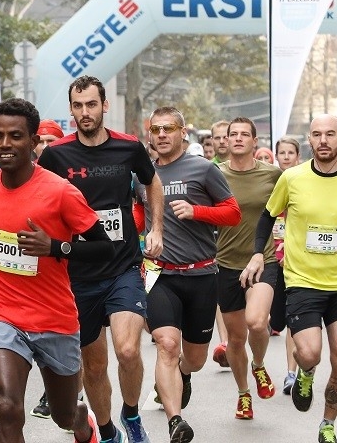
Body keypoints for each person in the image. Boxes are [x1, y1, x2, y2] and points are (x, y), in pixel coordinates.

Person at [0, 97, 117, 443]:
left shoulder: (60, 192)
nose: (4, 144)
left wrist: (55, 247)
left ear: (33, 141)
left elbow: (105, 248)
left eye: (15, 136)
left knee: (63, 414)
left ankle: (81, 420)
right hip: (4, 315)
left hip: (55, 318)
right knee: (8, 407)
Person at [35, 75, 164, 443]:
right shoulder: (56, 155)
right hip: (78, 273)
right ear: (71, 110)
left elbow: (152, 181)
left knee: (128, 349)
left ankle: (132, 414)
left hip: (123, 266)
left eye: (91, 104)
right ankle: (107, 431)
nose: (85, 112)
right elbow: (41, 200)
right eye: (78, 106)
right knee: (93, 366)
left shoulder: (128, 147)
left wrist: (156, 229)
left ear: (104, 105)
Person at [252, 114, 337, 443]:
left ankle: (327, 425)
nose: (323, 140)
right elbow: (267, 217)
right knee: (309, 354)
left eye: (330, 134)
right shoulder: (292, 178)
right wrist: (257, 253)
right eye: (317, 134)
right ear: (309, 139)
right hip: (302, 282)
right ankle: (305, 373)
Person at [143, 107, 240, 443]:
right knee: (167, 344)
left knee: (195, 359)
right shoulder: (143, 174)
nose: (161, 135)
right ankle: (176, 422)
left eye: (169, 128)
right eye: (156, 129)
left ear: (183, 132)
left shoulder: (203, 169)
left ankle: (184, 373)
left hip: (201, 275)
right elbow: (134, 215)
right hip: (160, 275)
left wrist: (196, 210)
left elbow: (233, 213)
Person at [215, 118, 282, 420]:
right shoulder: (215, 174)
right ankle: (243, 394)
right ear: (226, 140)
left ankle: (259, 364)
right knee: (235, 338)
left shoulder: (272, 174)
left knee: (256, 322)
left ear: (255, 141)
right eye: (233, 134)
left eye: (245, 134)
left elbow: (293, 209)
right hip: (225, 262)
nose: (238, 138)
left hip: (263, 259)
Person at [270, 136, 302, 395]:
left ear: (297, 156)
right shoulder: (269, 182)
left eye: (291, 152)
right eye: (282, 152)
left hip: (299, 263)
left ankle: (292, 373)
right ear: (276, 156)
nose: (287, 157)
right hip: (272, 260)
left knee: (294, 319)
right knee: (277, 319)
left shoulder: (304, 182)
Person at [209, 119, 232, 367]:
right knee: (219, 293)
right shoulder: (206, 169)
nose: (222, 141)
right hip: (215, 241)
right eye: (217, 137)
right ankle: (225, 342)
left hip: (243, 240)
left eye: (226, 136)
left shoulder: (246, 168)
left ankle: (237, 341)